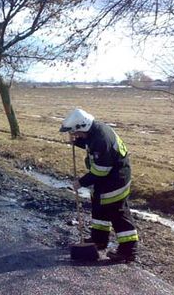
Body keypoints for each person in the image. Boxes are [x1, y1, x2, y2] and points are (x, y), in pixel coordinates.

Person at [60, 108, 139, 262]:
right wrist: (77, 142)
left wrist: (81, 183)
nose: (75, 135)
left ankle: (128, 251)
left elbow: (101, 170)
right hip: (104, 179)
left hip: (116, 180)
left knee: (118, 214)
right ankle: (99, 240)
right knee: (99, 208)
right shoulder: (93, 131)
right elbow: (89, 143)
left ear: (82, 126)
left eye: (76, 133)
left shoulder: (101, 139)